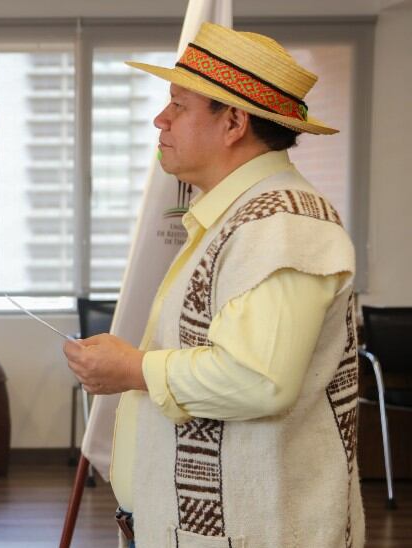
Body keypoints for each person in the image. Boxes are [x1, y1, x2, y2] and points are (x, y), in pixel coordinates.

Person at [63, 23, 363, 548]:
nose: (161, 120)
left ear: (234, 123)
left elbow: (257, 379)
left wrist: (131, 368)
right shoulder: (243, 216)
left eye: (178, 105)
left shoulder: (282, 223)